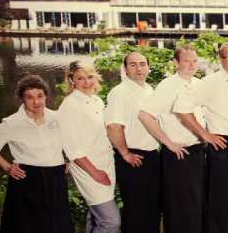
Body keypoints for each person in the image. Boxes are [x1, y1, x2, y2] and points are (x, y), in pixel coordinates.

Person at [175, 42, 228, 233]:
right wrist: (204, 134)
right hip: (222, 145)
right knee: (222, 199)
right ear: (221, 60)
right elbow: (182, 108)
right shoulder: (209, 82)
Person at [0, 75, 73, 233]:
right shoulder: (12, 122)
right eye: (29, 97)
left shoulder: (57, 118)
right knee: (28, 225)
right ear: (22, 99)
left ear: (46, 96)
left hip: (55, 177)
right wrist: (7, 167)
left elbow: (71, 140)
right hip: (27, 178)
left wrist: (69, 159)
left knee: (57, 224)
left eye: (40, 96)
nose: (36, 102)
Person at [138, 46, 207, 233]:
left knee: (197, 204)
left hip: (198, 152)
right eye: (186, 61)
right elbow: (145, 115)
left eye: (194, 60)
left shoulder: (198, 83)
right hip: (179, 153)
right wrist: (168, 143)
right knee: (180, 207)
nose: (192, 65)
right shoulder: (168, 85)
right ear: (176, 63)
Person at [58, 61, 120, 233]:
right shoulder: (69, 106)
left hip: (105, 163)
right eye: (80, 78)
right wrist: (95, 173)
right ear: (72, 81)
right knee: (110, 221)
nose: (87, 82)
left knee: (95, 217)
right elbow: (73, 149)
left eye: (90, 77)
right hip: (88, 168)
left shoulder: (96, 100)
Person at [105, 52, 159, 232]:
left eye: (143, 64)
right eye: (133, 65)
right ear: (125, 69)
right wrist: (125, 153)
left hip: (151, 156)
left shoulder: (149, 90)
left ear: (148, 67)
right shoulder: (119, 93)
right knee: (136, 210)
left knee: (151, 208)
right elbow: (113, 126)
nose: (139, 69)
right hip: (132, 156)